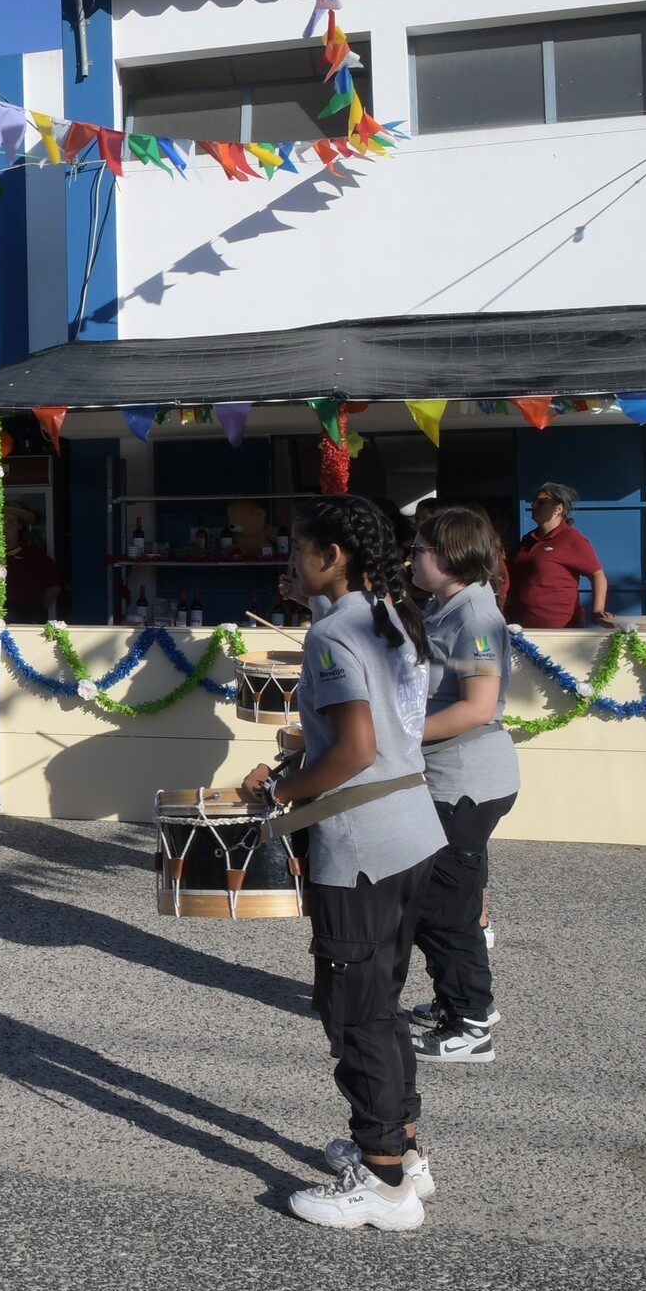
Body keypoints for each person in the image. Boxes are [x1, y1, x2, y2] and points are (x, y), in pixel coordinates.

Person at [239, 494, 446, 1232]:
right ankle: (403, 1150)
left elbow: (357, 748)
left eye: (298, 550)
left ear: (332, 557)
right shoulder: (387, 615)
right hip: (411, 830)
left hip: (359, 844)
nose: (289, 562)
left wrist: (282, 788)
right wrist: (305, 751)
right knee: (381, 1004)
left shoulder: (329, 637)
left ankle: (382, 1182)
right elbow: (387, 734)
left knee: (354, 1012)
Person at [404, 506, 517, 1066]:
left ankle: (471, 1023)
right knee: (448, 899)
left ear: (449, 556)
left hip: (466, 781)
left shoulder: (476, 616)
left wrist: (397, 736)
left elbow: (476, 708)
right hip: (448, 777)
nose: (412, 558)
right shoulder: (442, 606)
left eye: (421, 549)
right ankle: (463, 1005)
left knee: (443, 906)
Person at [505, 483, 609, 628]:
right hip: (523, 628)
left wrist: (597, 610)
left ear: (559, 508)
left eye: (542, 502)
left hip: (561, 629)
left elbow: (597, 574)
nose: (535, 505)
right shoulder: (528, 539)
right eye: (534, 501)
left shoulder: (571, 538)